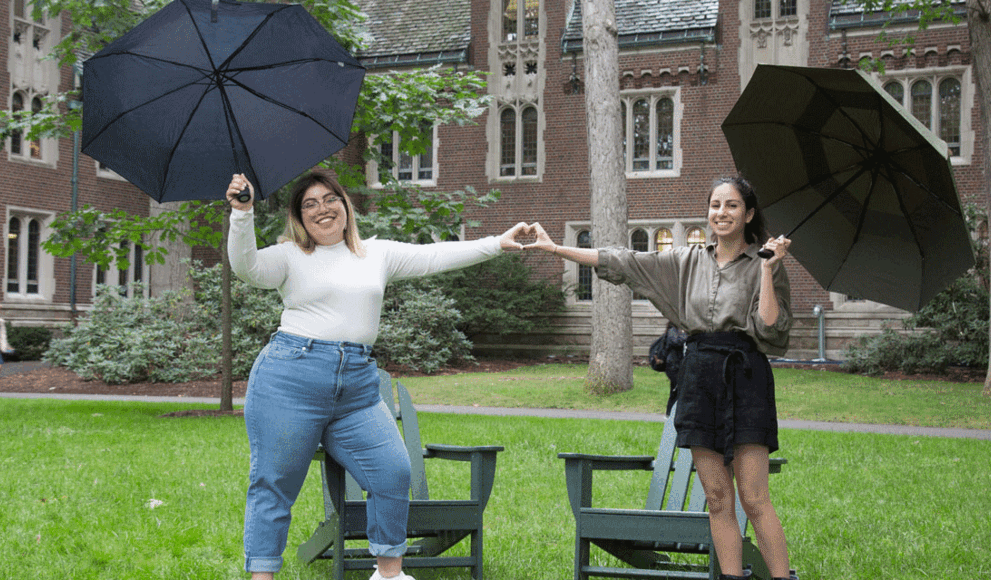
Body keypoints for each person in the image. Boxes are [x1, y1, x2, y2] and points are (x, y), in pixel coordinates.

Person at [225, 169, 531, 580]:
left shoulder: (376, 253)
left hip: (356, 385)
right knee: (275, 483)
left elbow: (434, 256)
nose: (322, 209)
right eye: (310, 204)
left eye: (329, 198)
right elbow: (246, 267)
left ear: (345, 206)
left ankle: (389, 573)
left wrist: (496, 243)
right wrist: (242, 213)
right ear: (300, 217)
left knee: (392, 470)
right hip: (291, 377)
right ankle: (262, 575)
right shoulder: (289, 256)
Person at [526, 176, 797, 580]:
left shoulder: (765, 263)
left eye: (732, 206)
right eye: (715, 205)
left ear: (749, 214)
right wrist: (554, 248)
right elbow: (622, 261)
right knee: (718, 498)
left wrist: (768, 269)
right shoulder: (687, 260)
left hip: (746, 377)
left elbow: (773, 331)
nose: (721, 213)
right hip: (700, 376)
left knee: (754, 499)